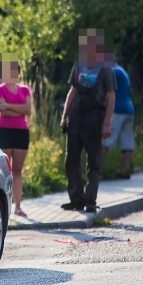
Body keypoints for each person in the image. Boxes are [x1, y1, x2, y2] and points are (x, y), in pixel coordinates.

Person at [60, 28, 116, 213]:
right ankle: (76, 199)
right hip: (76, 118)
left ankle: (90, 200)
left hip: (95, 120)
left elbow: (111, 96)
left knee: (93, 162)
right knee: (71, 161)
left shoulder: (106, 68)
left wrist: (107, 123)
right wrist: (64, 116)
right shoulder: (79, 64)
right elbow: (72, 91)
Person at [0, 54, 32, 218]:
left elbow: (28, 110)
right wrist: (18, 108)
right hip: (4, 131)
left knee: (17, 170)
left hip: (21, 132)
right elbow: (1, 110)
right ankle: (4, 206)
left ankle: (18, 207)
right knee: (4, 170)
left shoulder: (25, 89)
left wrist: (8, 105)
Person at [102, 62, 134, 179]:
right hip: (129, 108)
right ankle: (126, 170)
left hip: (117, 109)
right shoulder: (122, 71)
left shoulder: (113, 72)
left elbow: (108, 93)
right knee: (127, 141)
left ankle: (99, 170)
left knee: (106, 139)